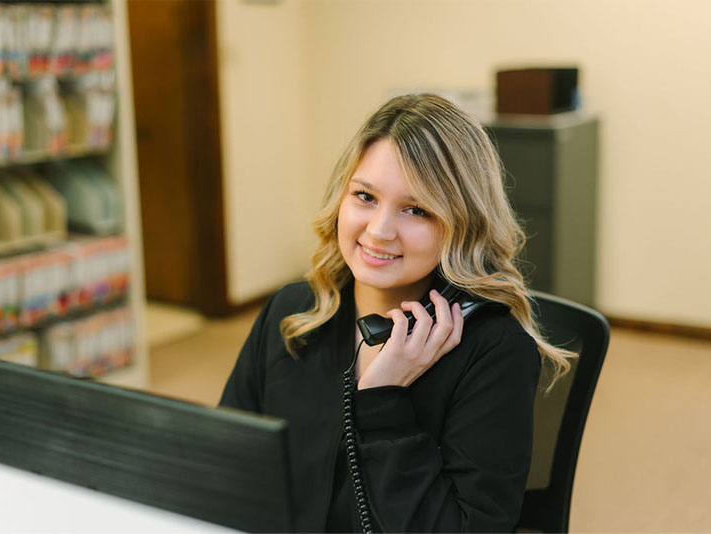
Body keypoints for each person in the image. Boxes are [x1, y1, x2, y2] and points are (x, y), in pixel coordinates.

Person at [220, 93, 572, 533]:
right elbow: (224, 463)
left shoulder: (494, 351)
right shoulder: (294, 311)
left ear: (462, 224)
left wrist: (383, 401)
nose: (380, 231)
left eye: (416, 210)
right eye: (365, 196)